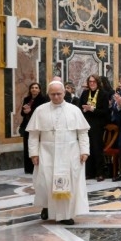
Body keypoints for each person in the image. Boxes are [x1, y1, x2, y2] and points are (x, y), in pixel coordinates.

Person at [27, 81, 90, 225]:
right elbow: (34, 135)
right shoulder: (40, 110)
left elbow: (83, 132)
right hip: (47, 152)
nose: (56, 97)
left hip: (70, 152)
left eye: (59, 94)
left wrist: (84, 151)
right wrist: (34, 154)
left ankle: (66, 215)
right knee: (46, 182)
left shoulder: (74, 110)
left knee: (69, 183)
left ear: (64, 93)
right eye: (52, 94)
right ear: (48, 94)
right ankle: (47, 206)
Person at [78, 74, 111, 182]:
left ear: (98, 83)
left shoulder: (103, 94)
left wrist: (93, 109)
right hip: (85, 123)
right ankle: (89, 172)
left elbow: (105, 112)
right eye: (90, 81)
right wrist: (84, 109)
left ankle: (100, 173)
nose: (92, 83)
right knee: (87, 148)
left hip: (97, 124)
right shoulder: (85, 93)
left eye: (94, 81)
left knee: (97, 148)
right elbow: (79, 107)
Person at [20, 82, 48, 174]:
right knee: (27, 146)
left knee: (36, 146)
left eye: (36, 88)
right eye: (32, 87)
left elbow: (42, 113)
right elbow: (22, 113)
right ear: (30, 89)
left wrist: (30, 111)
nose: (34, 89)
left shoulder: (43, 99)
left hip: (37, 126)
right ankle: (28, 168)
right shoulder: (27, 99)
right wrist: (25, 111)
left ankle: (36, 167)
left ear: (39, 90)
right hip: (27, 125)